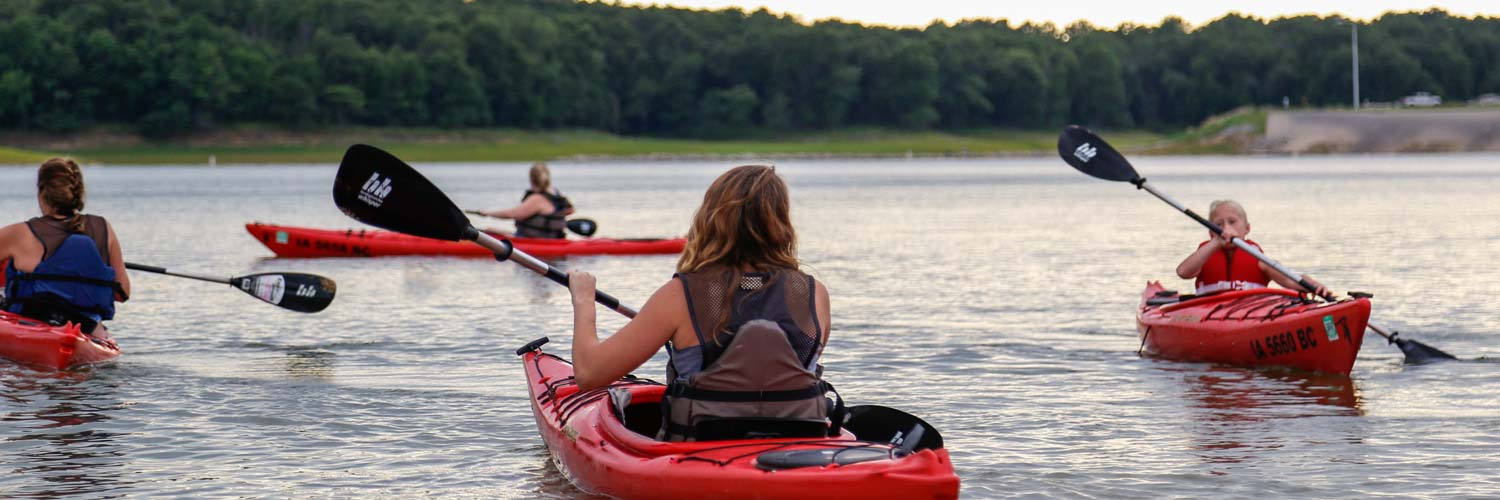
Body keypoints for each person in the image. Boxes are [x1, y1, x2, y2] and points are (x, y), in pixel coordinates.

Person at [566, 165, 833, 442]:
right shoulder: (814, 294)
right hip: (798, 448)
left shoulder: (680, 295)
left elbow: (589, 374)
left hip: (701, 447)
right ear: (782, 221)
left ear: (710, 219)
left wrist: (584, 301)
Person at [0, 158, 129, 337]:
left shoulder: (19, 233)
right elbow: (122, 293)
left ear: (42, 192)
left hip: (32, 324)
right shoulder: (103, 228)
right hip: (87, 328)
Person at [1176, 199, 1326, 297]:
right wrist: (1216, 242)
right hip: (1209, 315)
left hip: (1250, 314)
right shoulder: (1204, 254)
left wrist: (1311, 283)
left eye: (1232, 222)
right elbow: (1183, 272)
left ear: (1247, 228)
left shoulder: (1258, 258)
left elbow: (1290, 281)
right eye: (1218, 224)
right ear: (1211, 233)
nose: (1226, 228)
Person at [474, 162, 574, 239]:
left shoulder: (537, 199)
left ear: (531, 179)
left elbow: (511, 214)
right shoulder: (555, 194)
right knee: (494, 231)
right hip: (552, 238)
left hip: (534, 240)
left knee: (489, 230)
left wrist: (487, 213)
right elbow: (570, 210)